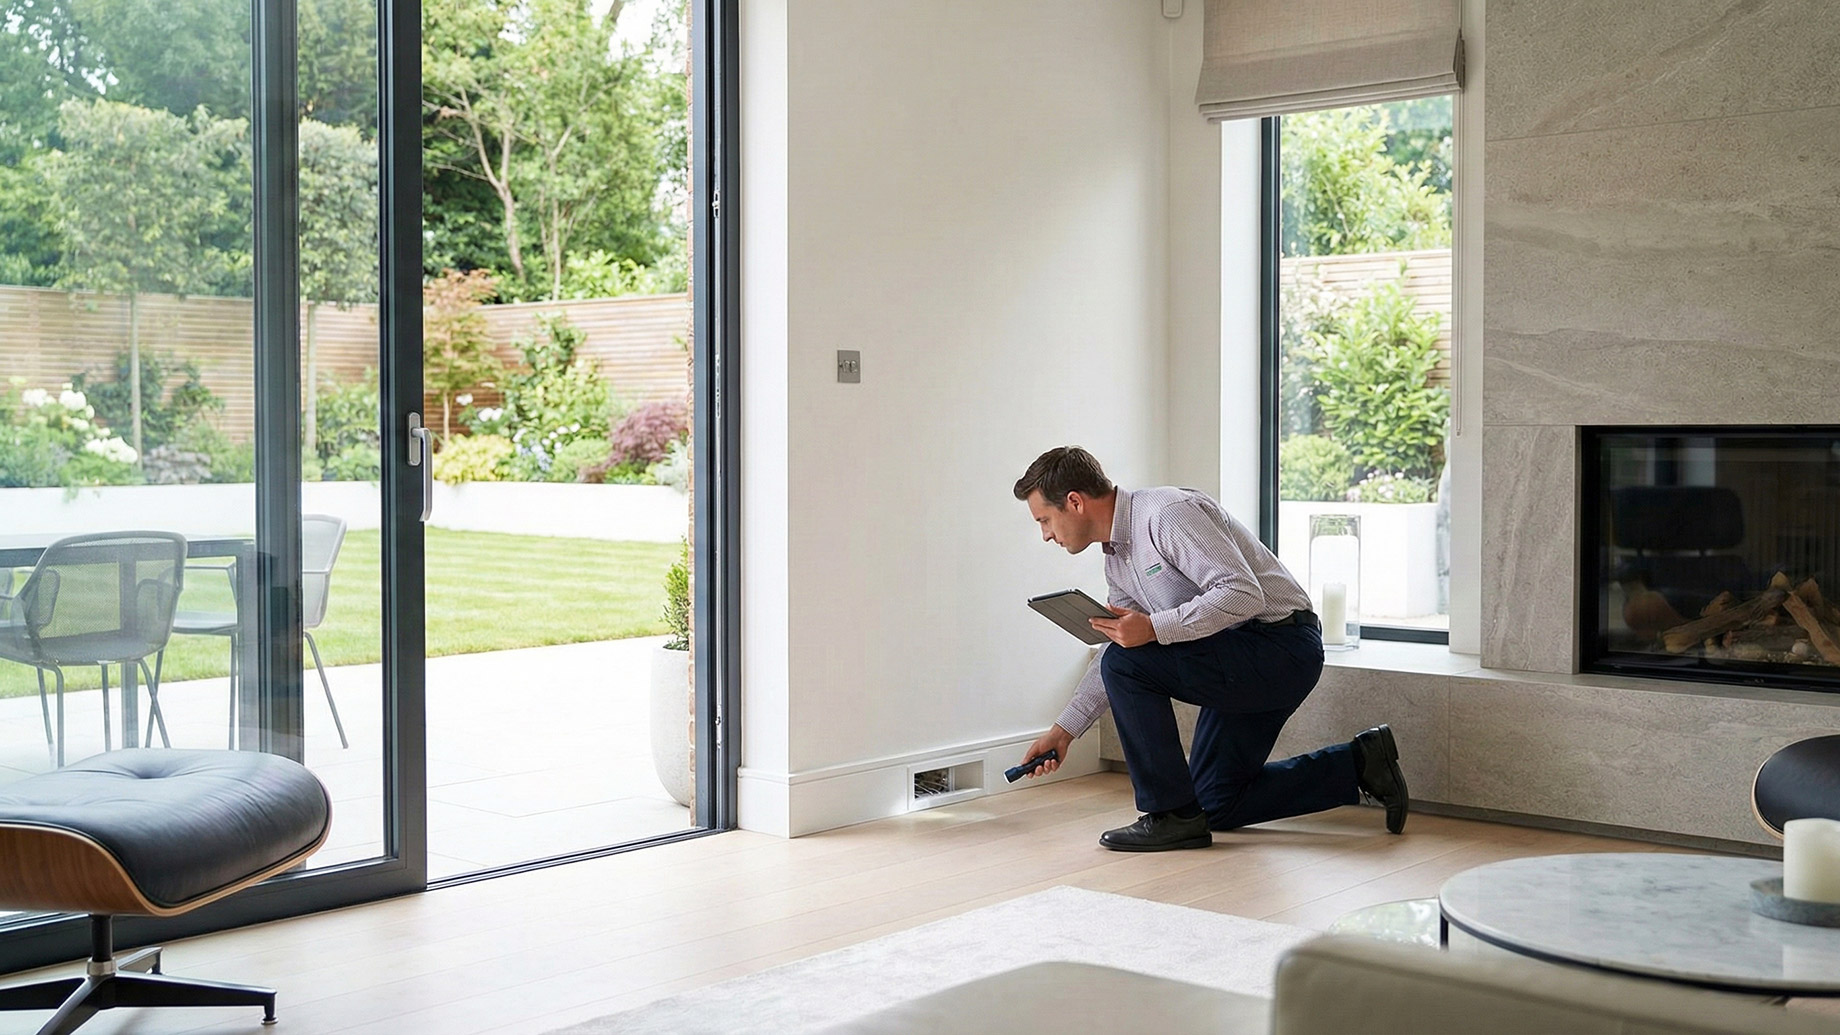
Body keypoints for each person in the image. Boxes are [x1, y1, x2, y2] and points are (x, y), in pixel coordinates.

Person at [1012, 446, 1408, 851]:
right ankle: (1360, 764)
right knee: (1217, 803)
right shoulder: (1116, 559)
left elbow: (1242, 593)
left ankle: (1169, 816)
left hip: (1279, 648)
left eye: (1045, 519)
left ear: (1074, 502)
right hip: (1236, 655)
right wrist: (1064, 731)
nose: (1046, 534)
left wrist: (1153, 627)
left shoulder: (1166, 513)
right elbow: (1124, 644)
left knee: (1127, 664)